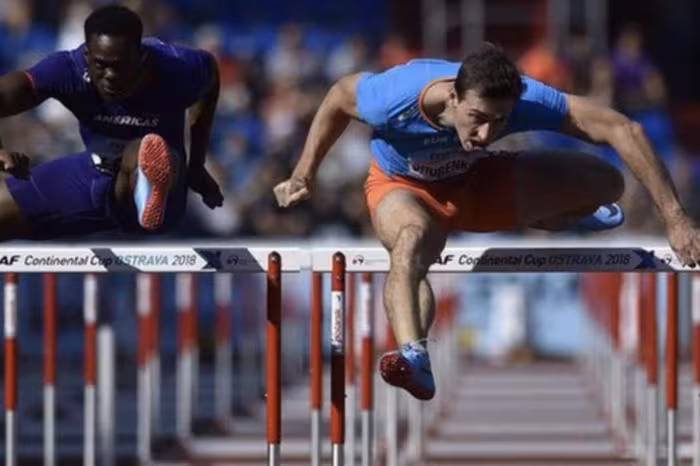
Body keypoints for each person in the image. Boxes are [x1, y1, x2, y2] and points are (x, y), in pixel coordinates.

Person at [274, 44, 700, 401]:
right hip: (404, 189)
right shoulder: (394, 96)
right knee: (411, 241)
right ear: (453, 98)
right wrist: (304, 172)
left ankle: (559, 215)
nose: (486, 133)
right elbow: (337, 96)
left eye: (500, 121)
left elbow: (625, 129)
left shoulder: (526, 98)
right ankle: (414, 357)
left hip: (476, 183)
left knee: (607, 182)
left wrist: (676, 218)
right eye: (478, 117)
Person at [0, 4, 223, 241]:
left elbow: (211, 77)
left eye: (119, 65)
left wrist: (196, 164)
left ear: (141, 57)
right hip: (91, 175)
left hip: (165, 190)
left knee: (145, 149)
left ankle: (147, 186)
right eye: (101, 65)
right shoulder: (68, 70)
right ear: (87, 57)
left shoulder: (177, 67)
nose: (110, 76)